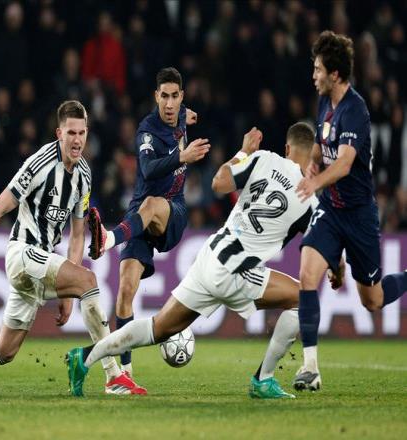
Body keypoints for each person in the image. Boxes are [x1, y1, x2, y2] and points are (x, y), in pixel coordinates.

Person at [0, 100, 145, 396]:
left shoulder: (84, 174)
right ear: (59, 133)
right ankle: (113, 376)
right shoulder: (39, 164)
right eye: (71, 133)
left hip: (41, 263)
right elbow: (0, 205)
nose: (77, 140)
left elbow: (77, 235)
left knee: (4, 351)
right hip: (22, 254)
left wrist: (68, 295)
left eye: (82, 133)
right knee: (89, 281)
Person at [66, 122, 321, 398]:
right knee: (302, 299)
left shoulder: (264, 159)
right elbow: (319, 243)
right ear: (314, 156)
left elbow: (219, 183)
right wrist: (337, 268)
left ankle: (85, 357)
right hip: (237, 269)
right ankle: (264, 379)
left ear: (287, 148)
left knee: (157, 328)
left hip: (210, 256)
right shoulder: (309, 198)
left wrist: (244, 152)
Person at [293, 31, 407, 391]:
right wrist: (312, 164)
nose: (313, 75)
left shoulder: (355, 110)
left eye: (318, 69)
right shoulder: (324, 102)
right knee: (306, 275)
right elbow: (320, 145)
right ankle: (310, 368)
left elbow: (343, 164)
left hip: (358, 216)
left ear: (335, 74)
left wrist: (314, 182)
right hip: (331, 209)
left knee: (372, 300)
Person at [86, 67, 209, 386]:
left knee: (153, 204)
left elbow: (186, 115)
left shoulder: (180, 114)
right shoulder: (147, 131)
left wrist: (187, 118)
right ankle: (125, 375)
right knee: (125, 291)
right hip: (140, 214)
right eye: (163, 96)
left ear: (181, 96)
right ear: (156, 96)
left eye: (174, 96)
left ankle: (108, 239)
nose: (169, 103)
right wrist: (182, 156)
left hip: (172, 212)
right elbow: (149, 168)